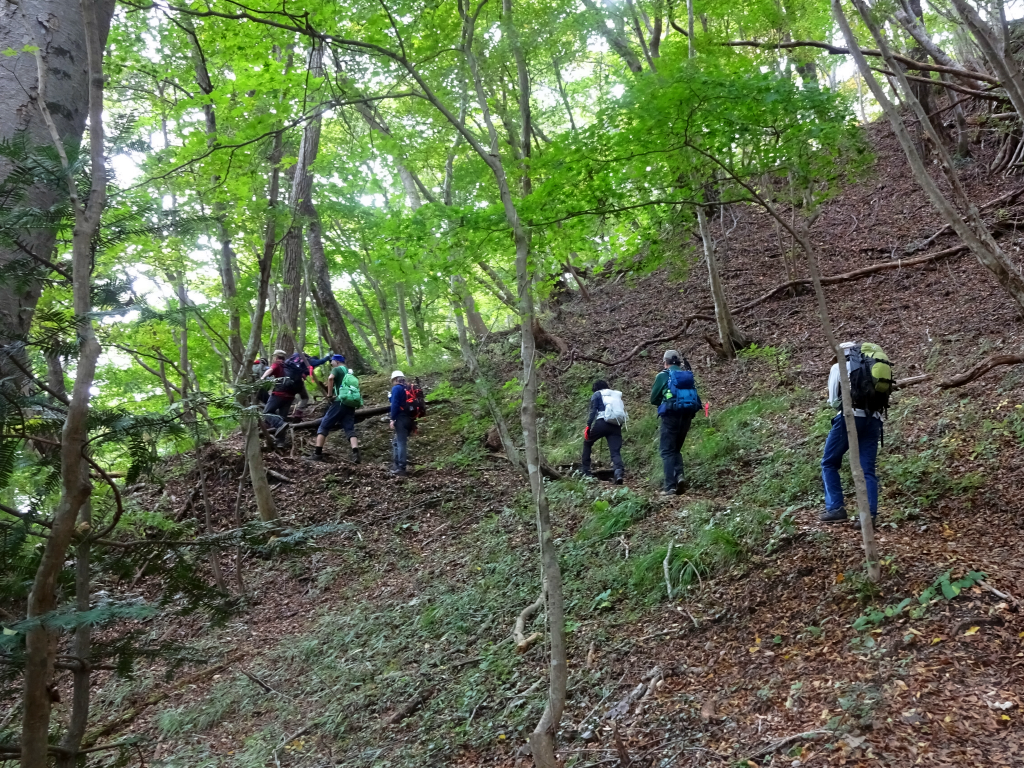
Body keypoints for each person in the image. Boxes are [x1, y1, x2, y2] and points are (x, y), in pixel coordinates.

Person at [819, 342, 884, 528]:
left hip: (850, 417)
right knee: (867, 469)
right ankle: (869, 516)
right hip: (874, 419)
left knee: (829, 462)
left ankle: (836, 508)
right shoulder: (872, 363)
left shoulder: (838, 365)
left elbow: (833, 401)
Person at [650, 349, 701, 496]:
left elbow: (653, 399)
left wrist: (665, 401)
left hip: (671, 416)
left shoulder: (663, 376)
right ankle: (679, 476)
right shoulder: (687, 376)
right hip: (687, 416)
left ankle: (669, 487)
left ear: (665, 362)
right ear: (679, 362)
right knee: (676, 449)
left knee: (666, 451)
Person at [310, 355, 362, 463]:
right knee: (349, 429)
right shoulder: (349, 371)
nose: (331, 363)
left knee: (324, 426)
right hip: (350, 403)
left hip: (339, 402)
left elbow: (330, 378)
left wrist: (329, 395)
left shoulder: (337, 369)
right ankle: (356, 454)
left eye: (332, 361)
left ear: (337, 361)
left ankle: (317, 454)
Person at [581, 379, 625, 484]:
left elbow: (593, 412)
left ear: (596, 388)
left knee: (587, 443)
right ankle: (618, 473)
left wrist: (588, 425)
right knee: (615, 451)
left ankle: (585, 470)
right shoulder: (615, 395)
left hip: (601, 423)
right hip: (615, 425)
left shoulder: (597, 394)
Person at [388, 370, 415, 476]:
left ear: (395, 379)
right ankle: (396, 465)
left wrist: (392, 419)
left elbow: (395, 405)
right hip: (410, 419)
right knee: (396, 442)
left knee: (400, 442)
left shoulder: (396, 388)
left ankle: (401, 467)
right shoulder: (408, 388)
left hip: (401, 419)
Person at [260, 350, 297, 418]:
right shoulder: (289, 366)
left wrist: (262, 377)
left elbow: (270, 370)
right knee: (282, 417)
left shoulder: (277, 364)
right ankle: (282, 426)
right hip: (290, 396)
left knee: (266, 413)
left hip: (279, 394)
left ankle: (280, 424)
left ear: (276, 357)